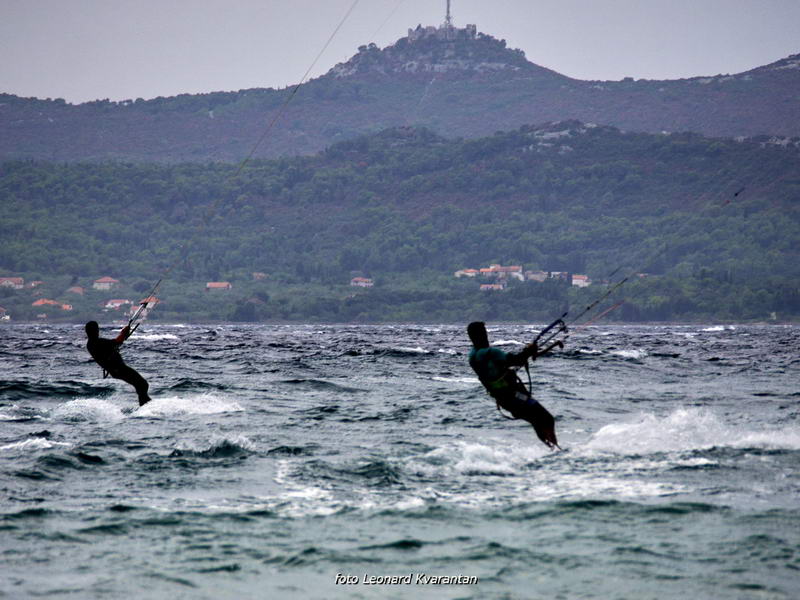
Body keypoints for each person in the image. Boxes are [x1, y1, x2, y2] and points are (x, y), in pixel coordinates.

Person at [467, 321, 560, 449]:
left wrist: (525, 353)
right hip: (514, 396)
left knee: (537, 421)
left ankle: (552, 448)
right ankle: (555, 449)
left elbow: (500, 366)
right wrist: (529, 350)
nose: (486, 335)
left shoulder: (473, 356)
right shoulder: (491, 352)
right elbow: (517, 360)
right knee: (547, 419)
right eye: (484, 332)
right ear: (480, 335)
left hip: (503, 400)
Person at [85, 321, 151, 406]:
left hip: (116, 370)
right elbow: (117, 342)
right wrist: (123, 333)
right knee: (142, 384)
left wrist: (123, 335)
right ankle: (144, 405)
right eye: (96, 329)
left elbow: (113, 345)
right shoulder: (96, 342)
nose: (98, 331)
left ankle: (145, 403)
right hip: (118, 369)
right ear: (94, 331)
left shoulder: (92, 343)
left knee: (140, 385)